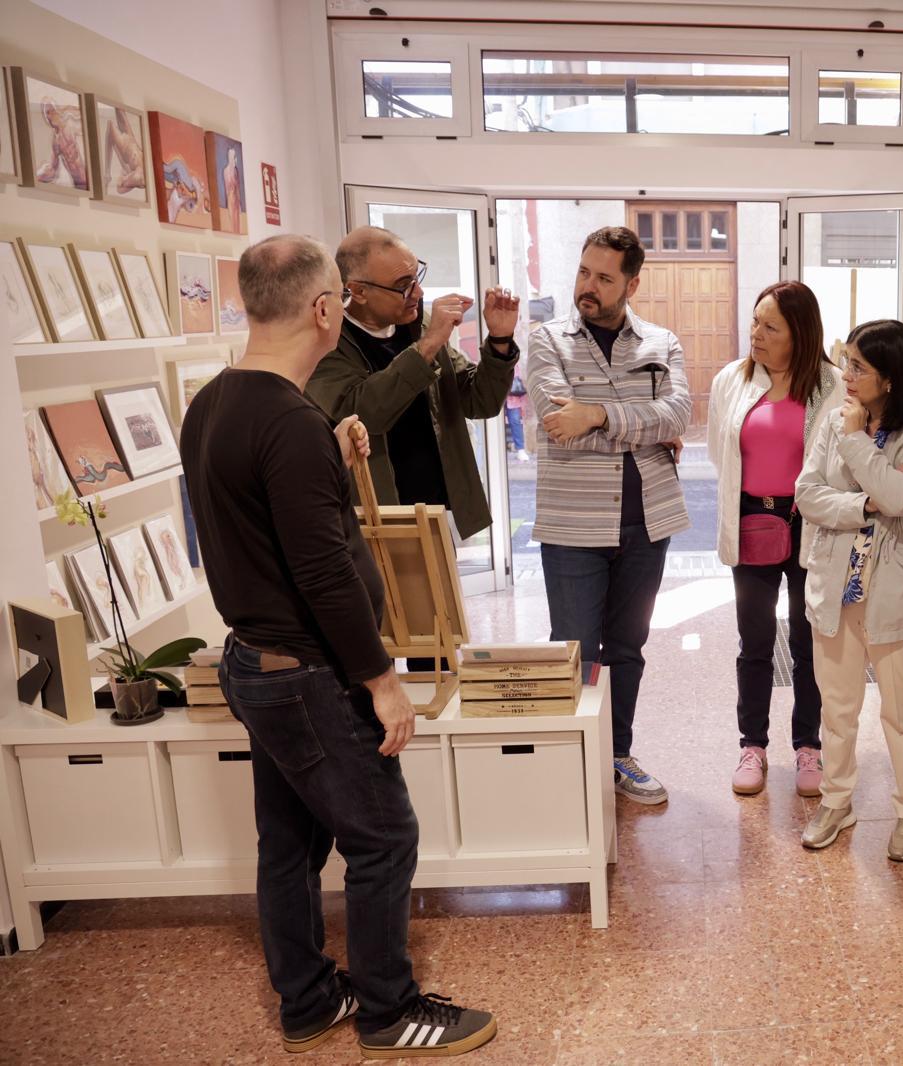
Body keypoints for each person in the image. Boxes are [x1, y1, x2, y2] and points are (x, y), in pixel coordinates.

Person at [181, 235, 495, 1058]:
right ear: (325, 310)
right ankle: (391, 1012)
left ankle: (309, 1000)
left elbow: (263, 528)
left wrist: (336, 449)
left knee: (290, 842)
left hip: (255, 661)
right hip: (307, 672)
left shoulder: (215, 402)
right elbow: (321, 570)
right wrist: (380, 681)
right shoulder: (286, 421)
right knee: (383, 838)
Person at [525, 226, 690, 805]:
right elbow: (554, 420)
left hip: (646, 521)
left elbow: (677, 415)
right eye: (583, 273)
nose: (587, 287)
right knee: (575, 647)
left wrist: (594, 414)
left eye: (604, 278)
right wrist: (635, 427)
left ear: (631, 283)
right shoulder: (546, 339)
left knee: (627, 647)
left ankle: (617, 754)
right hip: (572, 524)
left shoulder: (661, 342)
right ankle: (574, 763)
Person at [794, 319, 903, 863]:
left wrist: (859, 440)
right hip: (836, 582)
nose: (846, 373)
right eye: (846, 360)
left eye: (858, 366)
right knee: (837, 709)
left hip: (901, 588)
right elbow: (808, 493)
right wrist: (860, 507)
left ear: (890, 377)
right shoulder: (834, 415)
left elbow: (902, 495)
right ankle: (837, 802)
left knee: (902, 712)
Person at [708, 281, 843, 797]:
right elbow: (722, 453)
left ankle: (808, 746)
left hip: (812, 522)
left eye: (771, 327)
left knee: (810, 642)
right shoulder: (732, 380)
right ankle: (753, 745)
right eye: (755, 323)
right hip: (752, 524)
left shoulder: (831, 386)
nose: (756, 335)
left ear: (800, 334)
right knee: (755, 639)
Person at [306, 225, 520, 545]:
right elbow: (366, 412)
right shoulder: (326, 343)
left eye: (417, 278)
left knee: (443, 597)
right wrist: (428, 345)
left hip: (435, 512)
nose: (418, 295)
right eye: (403, 286)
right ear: (358, 291)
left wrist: (500, 340)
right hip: (373, 523)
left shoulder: (422, 324)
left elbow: (480, 401)